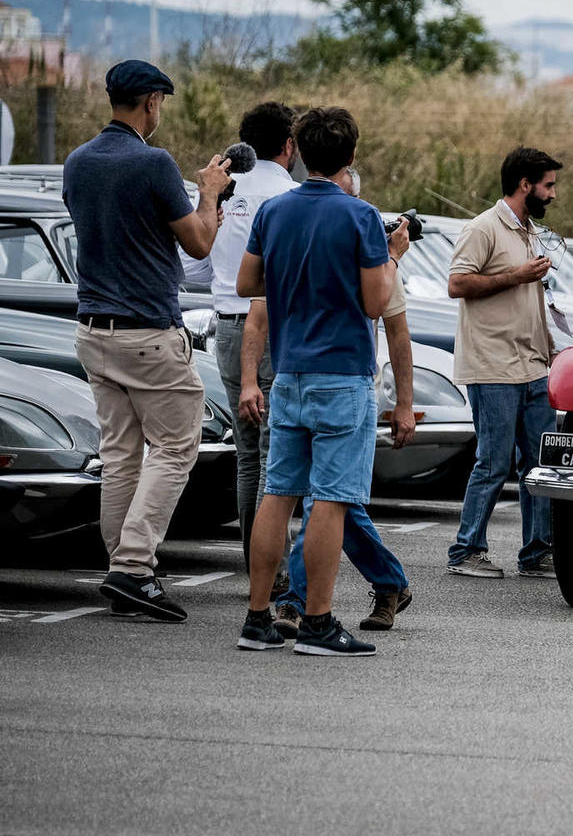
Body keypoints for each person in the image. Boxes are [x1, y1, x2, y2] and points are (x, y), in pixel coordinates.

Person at [63, 60, 232, 622]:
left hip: (93, 328)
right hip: (148, 332)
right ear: (153, 102)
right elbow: (201, 244)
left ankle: (123, 566)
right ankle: (134, 567)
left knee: (120, 455)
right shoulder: (154, 163)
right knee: (177, 447)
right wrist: (210, 193)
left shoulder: (77, 162)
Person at [234, 106, 405, 657]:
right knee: (330, 500)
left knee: (276, 494)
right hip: (341, 372)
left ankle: (258, 617)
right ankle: (317, 624)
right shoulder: (360, 216)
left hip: (288, 373)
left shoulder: (275, 211)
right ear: (350, 155)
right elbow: (377, 301)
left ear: (300, 151)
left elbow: (245, 283)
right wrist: (391, 257)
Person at [445, 147, 561, 578]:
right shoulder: (483, 228)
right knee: (493, 462)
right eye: (548, 185)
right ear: (525, 185)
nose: (553, 194)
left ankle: (536, 553)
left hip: (533, 366)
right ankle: (466, 551)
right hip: (492, 366)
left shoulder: (529, 230)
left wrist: (551, 348)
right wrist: (516, 275)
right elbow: (457, 283)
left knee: (540, 463)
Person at [195, 102, 297, 576]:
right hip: (273, 325)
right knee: (277, 456)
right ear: (289, 145)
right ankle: (271, 572)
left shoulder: (225, 192)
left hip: (226, 329)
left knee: (248, 453)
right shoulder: (289, 197)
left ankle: (255, 567)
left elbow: (193, 265)